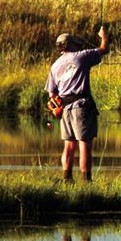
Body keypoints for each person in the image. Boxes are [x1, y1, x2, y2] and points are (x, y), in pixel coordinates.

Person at [45, 26, 109, 183]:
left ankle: (67, 179)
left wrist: (57, 108)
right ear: (70, 45)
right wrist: (104, 36)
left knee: (69, 146)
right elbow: (104, 49)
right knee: (84, 145)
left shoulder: (55, 66)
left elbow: (52, 95)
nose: (78, 45)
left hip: (64, 109)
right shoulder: (82, 56)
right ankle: (86, 182)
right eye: (75, 43)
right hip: (82, 107)